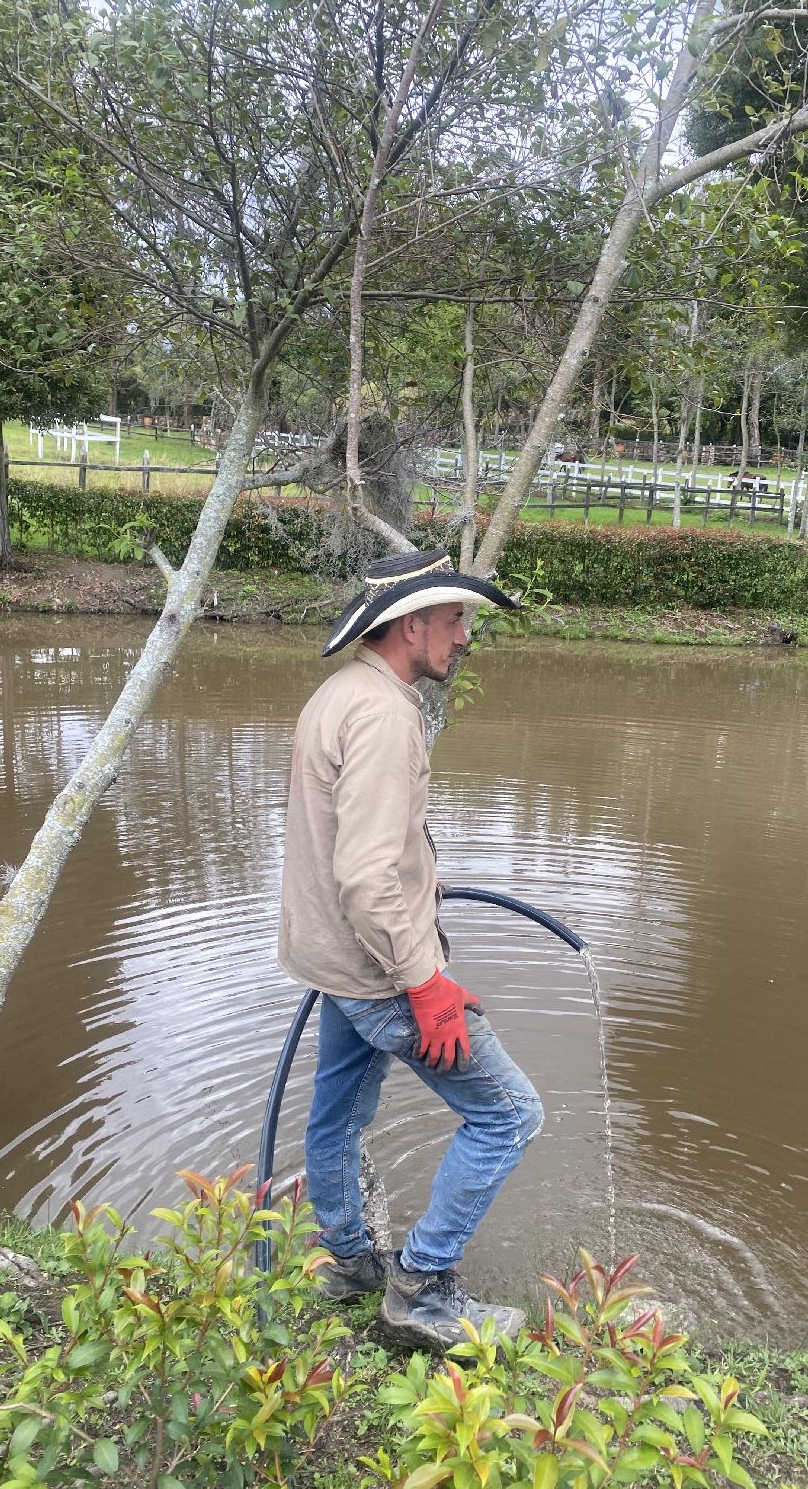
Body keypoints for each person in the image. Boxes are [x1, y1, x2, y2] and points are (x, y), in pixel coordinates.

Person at [278, 549, 544, 1350]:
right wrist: (424, 983)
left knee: (334, 1117)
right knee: (508, 1116)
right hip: (380, 970)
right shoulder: (387, 715)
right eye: (456, 619)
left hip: (337, 962)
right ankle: (422, 1290)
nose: (464, 637)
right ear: (411, 624)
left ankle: (347, 1262)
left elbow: (355, 854)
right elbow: (364, 874)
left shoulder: (340, 695)